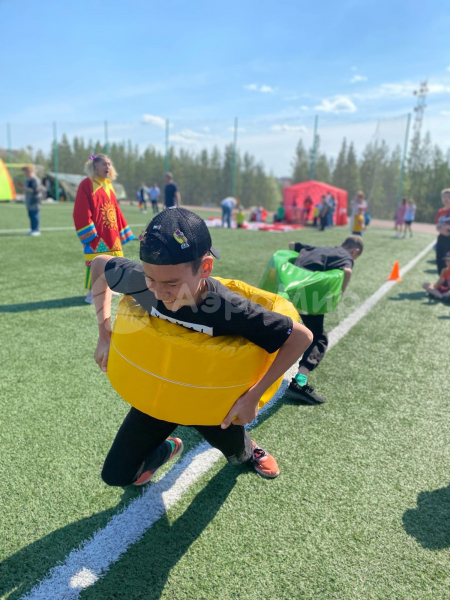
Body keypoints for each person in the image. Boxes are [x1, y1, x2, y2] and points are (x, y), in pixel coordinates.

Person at [90, 207, 313, 484]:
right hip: (160, 390)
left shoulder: (227, 308)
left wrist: (253, 397)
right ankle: (167, 448)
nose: (160, 292)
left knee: (238, 458)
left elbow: (301, 338)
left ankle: (249, 448)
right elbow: (99, 265)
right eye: (151, 278)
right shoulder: (144, 284)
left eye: (172, 283)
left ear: (205, 268)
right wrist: (105, 335)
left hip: (212, 401)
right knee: (116, 476)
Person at [285, 235, 363, 404]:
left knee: (284, 328)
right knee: (318, 337)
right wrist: (339, 294)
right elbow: (347, 271)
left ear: (341, 243)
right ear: (355, 251)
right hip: (309, 295)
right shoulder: (345, 256)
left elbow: (292, 245)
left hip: (287, 289)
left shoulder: (320, 248)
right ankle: (299, 383)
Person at [73, 154, 135, 304]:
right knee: (96, 262)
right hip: (97, 234)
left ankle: (108, 287)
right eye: (104, 164)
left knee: (113, 261)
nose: (108, 167)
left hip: (111, 233)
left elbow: (116, 209)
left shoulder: (108, 184)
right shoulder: (87, 184)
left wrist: (122, 230)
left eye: (109, 164)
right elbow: (81, 209)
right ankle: (92, 293)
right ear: (95, 166)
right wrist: (89, 232)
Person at [22, 165, 43, 236]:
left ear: (30, 171)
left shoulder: (35, 180)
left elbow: (36, 191)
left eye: (26, 172)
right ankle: (32, 229)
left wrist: (26, 188)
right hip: (29, 201)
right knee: (30, 215)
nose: (25, 174)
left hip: (34, 201)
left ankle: (36, 230)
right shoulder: (28, 180)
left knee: (35, 215)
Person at [435, 188, 450, 273]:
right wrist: (441, 230)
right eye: (444, 197)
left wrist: (446, 228)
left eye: (449, 197)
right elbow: (437, 225)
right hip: (441, 238)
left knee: (447, 261)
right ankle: (441, 278)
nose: (446, 199)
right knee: (439, 259)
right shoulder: (440, 211)